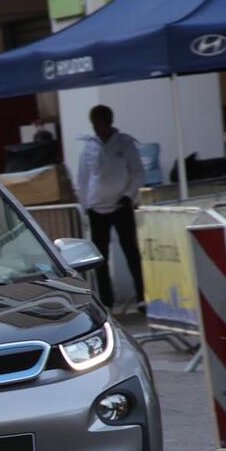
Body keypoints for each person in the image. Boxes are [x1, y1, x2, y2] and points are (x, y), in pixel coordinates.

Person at [77, 105, 146, 311]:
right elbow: (83, 178)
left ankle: (142, 296)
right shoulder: (89, 147)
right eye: (95, 124)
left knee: (131, 252)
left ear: (109, 121)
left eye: (101, 123)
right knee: (100, 258)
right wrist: (85, 205)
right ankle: (106, 300)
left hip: (121, 206)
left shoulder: (125, 144)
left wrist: (128, 196)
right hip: (97, 208)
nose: (98, 128)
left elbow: (137, 172)